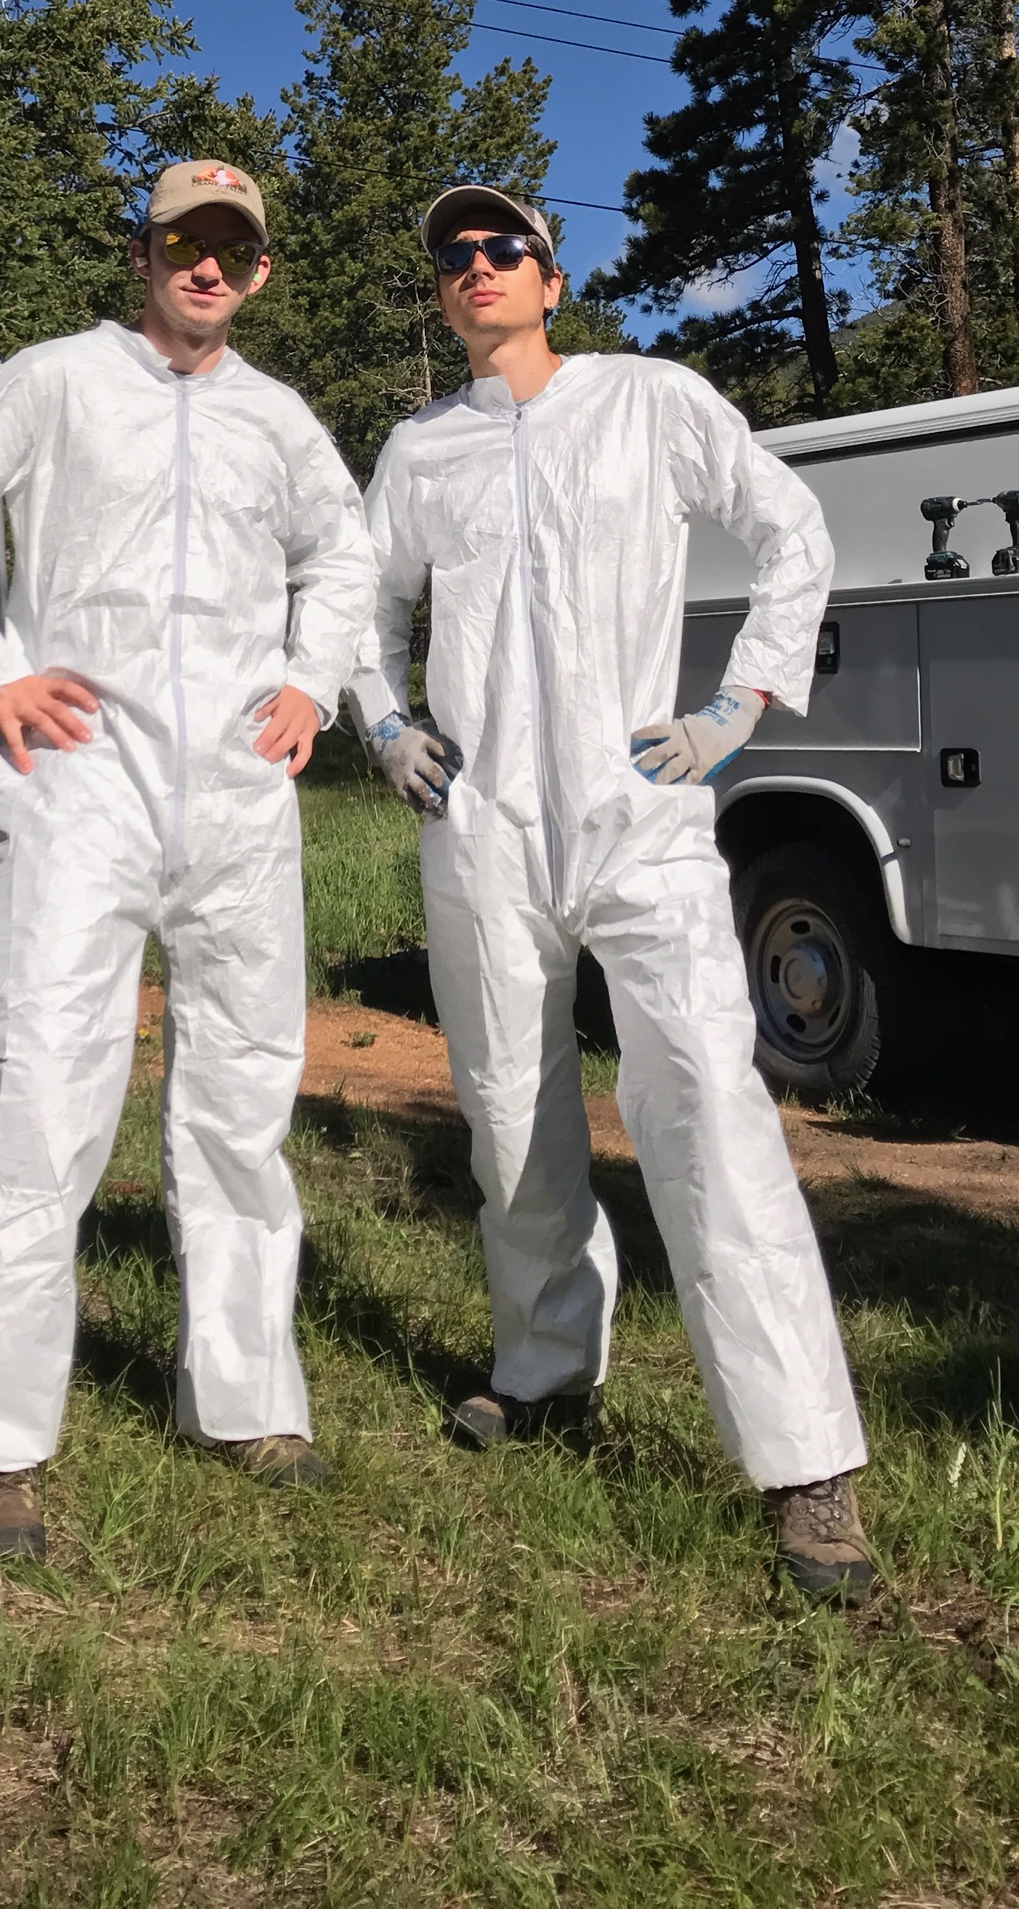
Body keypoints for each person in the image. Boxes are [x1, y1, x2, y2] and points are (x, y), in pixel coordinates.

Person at [354, 185, 873, 1602]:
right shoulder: (420, 449)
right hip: (481, 827)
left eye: (498, 248)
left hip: (638, 815)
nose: (474, 269)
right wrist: (382, 721)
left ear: (550, 275)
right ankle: (543, 1369)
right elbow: (355, 598)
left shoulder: (650, 401)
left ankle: (807, 1463)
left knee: (704, 1097)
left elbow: (792, 532)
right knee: (511, 1110)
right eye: (451, 255)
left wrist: (741, 703)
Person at [0, 161, 375, 1564]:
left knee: (240, 1094)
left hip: (236, 796)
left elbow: (345, 555)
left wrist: (313, 685)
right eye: (184, 242)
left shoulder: (279, 420)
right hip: (76, 780)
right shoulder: (55, 381)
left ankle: (247, 1401)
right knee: (41, 1089)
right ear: (141, 252)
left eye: (235, 250)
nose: (208, 268)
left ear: (261, 272)